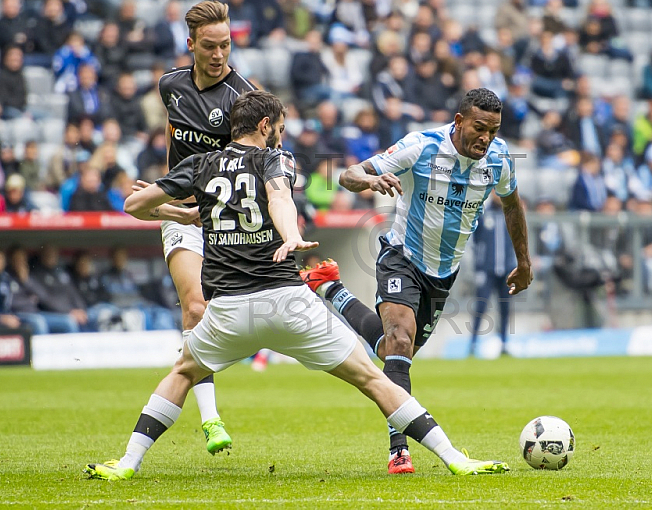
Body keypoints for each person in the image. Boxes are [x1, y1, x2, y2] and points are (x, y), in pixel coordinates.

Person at [84, 89, 508, 481]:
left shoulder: (200, 165)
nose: (282, 137)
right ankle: (455, 458)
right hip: (287, 303)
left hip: (228, 309)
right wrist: (289, 235)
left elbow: (134, 204)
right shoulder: (277, 159)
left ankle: (126, 463)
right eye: (281, 129)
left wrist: (181, 215)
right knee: (374, 380)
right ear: (265, 127)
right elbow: (279, 198)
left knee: (182, 373)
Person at [300, 88, 533, 474]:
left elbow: (512, 204)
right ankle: (399, 451)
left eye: (493, 130)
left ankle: (329, 288)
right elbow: (348, 174)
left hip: (443, 273)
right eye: (479, 128)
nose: (486, 138)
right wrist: (369, 181)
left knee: (391, 349)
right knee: (400, 341)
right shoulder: (421, 147)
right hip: (401, 257)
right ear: (459, 122)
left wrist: (523, 261)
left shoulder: (500, 158)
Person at [146, 0, 257, 456]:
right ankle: (211, 420)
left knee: (227, 314)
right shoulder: (169, 86)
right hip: (182, 215)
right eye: (209, 46)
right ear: (190, 44)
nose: (219, 54)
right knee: (194, 307)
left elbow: (264, 155)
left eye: (226, 45)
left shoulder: (242, 99)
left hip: (226, 219)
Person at [469, 190, 517, 356]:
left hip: (506, 269)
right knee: (481, 306)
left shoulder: (510, 213)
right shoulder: (483, 213)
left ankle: (504, 343)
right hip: (487, 269)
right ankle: (473, 343)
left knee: (505, 307)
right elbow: (474, 242)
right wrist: (478, 267)